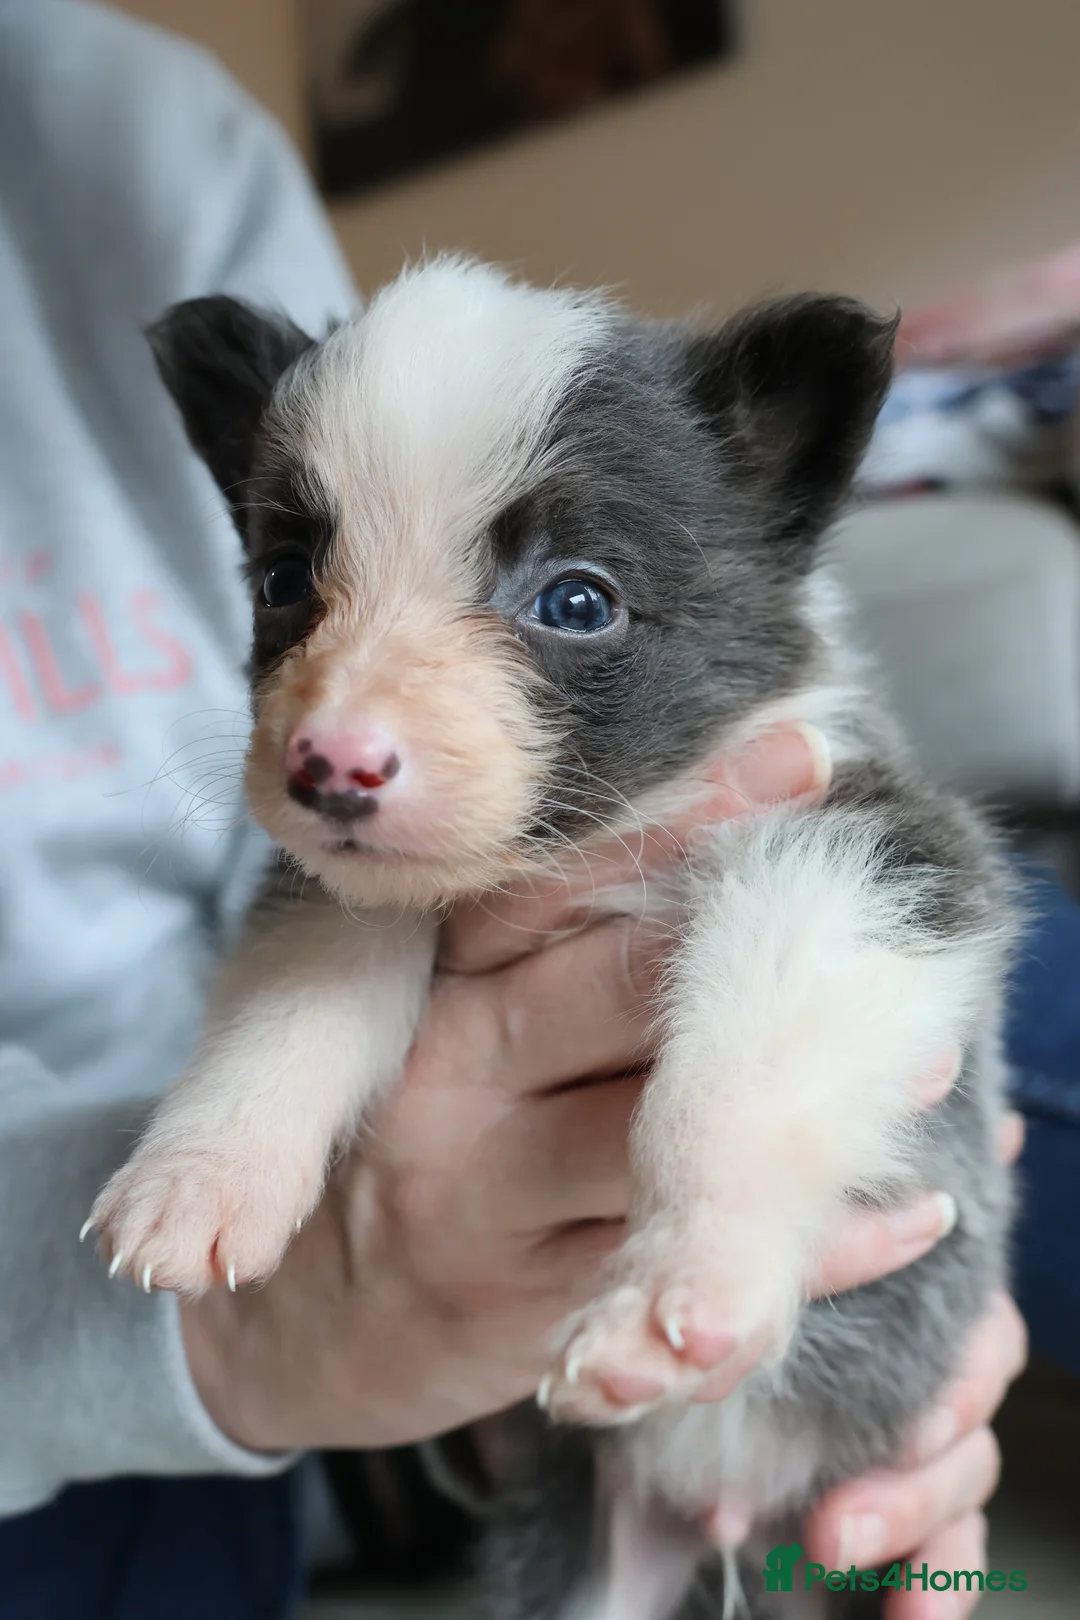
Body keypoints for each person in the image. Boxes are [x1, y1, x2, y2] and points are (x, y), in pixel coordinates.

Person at [0, 3, 1033, 1617]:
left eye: (564, 599)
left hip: (789, 1353)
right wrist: (247, 1186)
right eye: (295, 577)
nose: (337, 728)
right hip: (404, 1421)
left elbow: (869, 934)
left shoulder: (121, 117)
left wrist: (715, 1205)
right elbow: (322, 936)